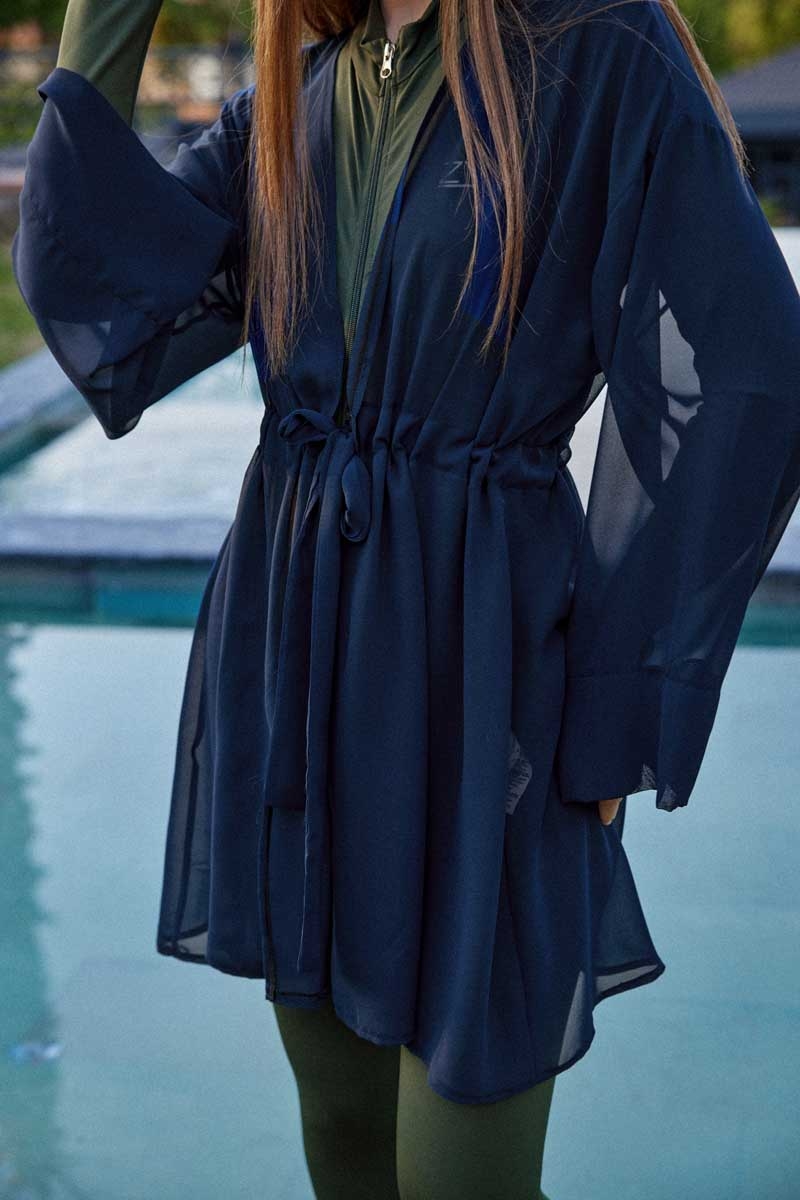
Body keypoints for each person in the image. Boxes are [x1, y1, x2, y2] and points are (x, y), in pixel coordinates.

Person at [12, 0, 800, 1195]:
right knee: (342, 1141)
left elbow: (748, 372)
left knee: (459, 1176)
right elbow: (103, 303)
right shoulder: (299, 93)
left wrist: (619, 696)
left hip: (488, 676)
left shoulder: (593, 47)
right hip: (299, 657)